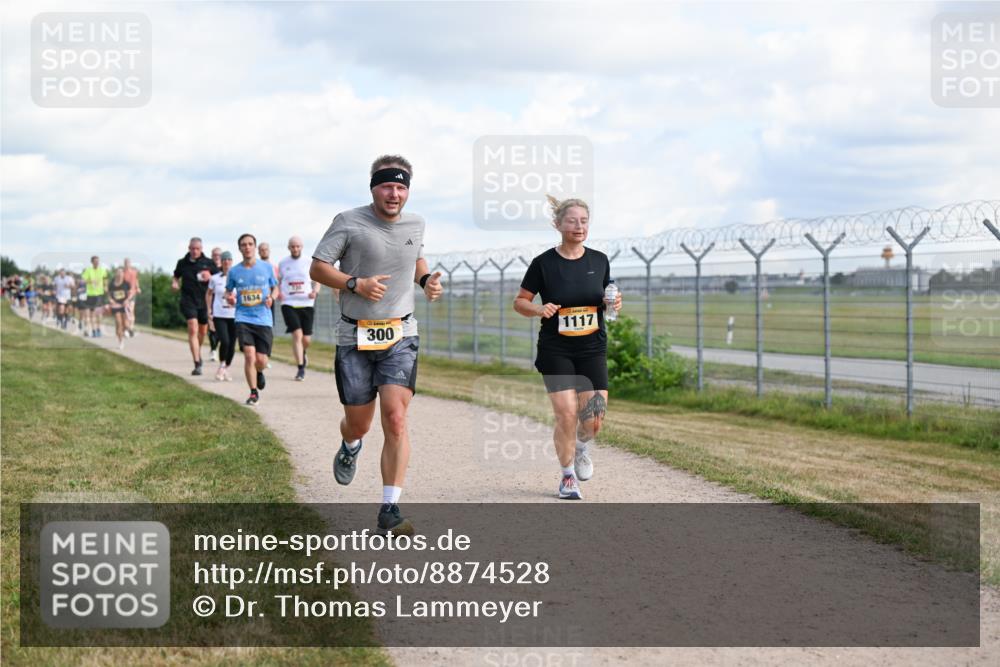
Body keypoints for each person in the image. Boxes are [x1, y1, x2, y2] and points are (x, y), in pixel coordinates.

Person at [310, 154, 442, 535]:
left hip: (401, 333)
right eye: (387, 185)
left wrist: (427, 280)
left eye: (401, 187)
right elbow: (318, 267)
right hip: (355, 334)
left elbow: (415, 258)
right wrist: (355, 283)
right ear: (373, 187)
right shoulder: (348, 221)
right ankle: (350, 446)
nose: (394, 193)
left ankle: (390, 509)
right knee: (359, 424)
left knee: (396, 418)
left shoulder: (416, 223)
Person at [513, 195, 622, 500]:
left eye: (584, 221)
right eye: (572, 220)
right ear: (557, 224)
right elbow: (519, 301)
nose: (579, 226)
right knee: (566, 414)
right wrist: (538, 309)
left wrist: (614, 302)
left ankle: (582, 448)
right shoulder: (544, 263)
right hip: (556, 349)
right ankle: (567, 476)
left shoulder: (599, 260)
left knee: (593, 420)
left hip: (592, 348)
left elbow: (607, 297)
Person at [225, 234, 277, 405]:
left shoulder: (266, 267)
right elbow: (228, 292)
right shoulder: (234, 271)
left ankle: (259, 371)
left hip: (263, 319)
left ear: (254, 247)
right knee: (249, 355)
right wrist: (230, 298)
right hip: (243, 317)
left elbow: (275, 288)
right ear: (239, 248)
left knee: (261, 360)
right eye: (243, 245)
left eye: (250, 244)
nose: (247, 247)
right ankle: (253, 392)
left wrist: (272, 298)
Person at [172, 238, 219, 375]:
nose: (194, 251)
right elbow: (176, 276)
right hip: (188, 300)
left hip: (204, 301)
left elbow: (219, 278)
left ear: (201, 249)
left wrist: (210, 276)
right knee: (193, 327)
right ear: (189, 248)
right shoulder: (182, 263)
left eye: (197, 249)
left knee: (202, 332)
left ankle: (197, 352)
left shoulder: (208, 263)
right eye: (192, 248)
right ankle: (197, 363)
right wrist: (175, 283)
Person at [278, 235, 321, 381]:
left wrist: (315, 291)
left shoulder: (309, 262)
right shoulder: (283, 263)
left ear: (301, 247)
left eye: (297, 246)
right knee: (297, 335)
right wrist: (279, 293)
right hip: (288, 303)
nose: (295, 249)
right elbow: (278, 281)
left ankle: (303, 352)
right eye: (292, 246)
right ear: (288, 247)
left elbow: (318, 280)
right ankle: (300, 369)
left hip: (306, 303)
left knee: (306, 339)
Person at [206, 251, 237, 381]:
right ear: (221, 262)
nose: (226, 262)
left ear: (232, 261)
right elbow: (208, 294)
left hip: (235, 315)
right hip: (219, 314)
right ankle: (222, 365)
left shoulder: (237, 278)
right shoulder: (215, 278)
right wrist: (209, 310)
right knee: (225, 341)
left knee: (232, 344)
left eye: (229, 259)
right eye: (224, 260)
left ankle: (225, 368)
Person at [81, 256, 109, 337]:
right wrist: (90, 281)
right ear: (92, 262)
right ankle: (93, 331)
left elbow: (105, 278)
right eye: (95, 261)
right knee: (92, 314)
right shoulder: (88, 270)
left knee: (99, 314)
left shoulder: (102, 270)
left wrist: (106, 286)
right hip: (90, 295)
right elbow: (82, 281)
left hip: (99, 294)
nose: (97, 262)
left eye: (98, 261)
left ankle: (98, 329)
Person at [107, 267, 132, 350]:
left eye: (121, 272)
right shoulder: (112, 284)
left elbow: (130, 293)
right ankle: (121, 342)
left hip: (124, 305)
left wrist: (127, 300)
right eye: (118, 272)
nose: (120, 274)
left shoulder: (126, 283)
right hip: (116, 305)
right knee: (119, 322)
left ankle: (125, 331)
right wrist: (110, 299)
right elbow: (109, 294)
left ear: (123, 274)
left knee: (125, 324)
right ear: (116, 273)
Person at [207, 248, 222, 360]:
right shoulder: (208, 269)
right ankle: (213, 349)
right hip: (211, 301)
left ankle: (218, 348)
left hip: (223, 302)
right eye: (214, 255)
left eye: (218, 255)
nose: (216, 257)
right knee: (212, 327)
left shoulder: (226, 269)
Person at [122, 258, 141, 337]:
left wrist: (138, 287)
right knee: (125, 313)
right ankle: (127, 328)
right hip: (124, 294)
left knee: (131, 311)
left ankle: (131, 328)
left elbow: (136, 281)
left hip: (132, 293)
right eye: (125, 263)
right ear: (124, 264)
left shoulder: (134, 272)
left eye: (128, 263)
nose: (127, 264)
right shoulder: (122, 273)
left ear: (130, 264)